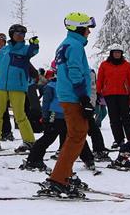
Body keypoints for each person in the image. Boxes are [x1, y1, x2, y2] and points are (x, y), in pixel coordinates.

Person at [38, 12, 97, 197]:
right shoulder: (74, 46)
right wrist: (84, 98)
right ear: (79, 28)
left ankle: (64, 174)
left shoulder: (66, 44)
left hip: (69, 95)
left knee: (75, 135)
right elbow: (75, 72)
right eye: (87, 28)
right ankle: (59, 179)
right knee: (77, 136)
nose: (89, 32)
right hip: (73, 97)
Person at [21, 68, 97, 172]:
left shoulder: (71, 85)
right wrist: (45, 117)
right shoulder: (51, 85)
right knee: (48, 138)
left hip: (69, 115)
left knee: (76, 137)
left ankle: (88, 159)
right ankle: (33, 159)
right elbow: (46, 103)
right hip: (55, 116)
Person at [0, 24, 38, 151]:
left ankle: (29, 141)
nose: (20, 36)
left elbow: (33, 52)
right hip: (0, 86)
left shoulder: (25, 49)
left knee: (20, 115)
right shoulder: (4, 50)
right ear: (12, 34)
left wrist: (35, 44)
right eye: (18, 33)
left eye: (23, 34)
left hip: (17, 87)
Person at [96, 45, 130, 148]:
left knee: (126, 116)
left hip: (123, 94)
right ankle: (118, 140)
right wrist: (98, 91)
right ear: (111, 53)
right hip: (109, 94)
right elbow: (100, 79)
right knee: (114, 118)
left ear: (121, 54)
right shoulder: (104, 65)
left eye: (119, 52)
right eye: (115, 52)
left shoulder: (126, 65)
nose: (117, 54)